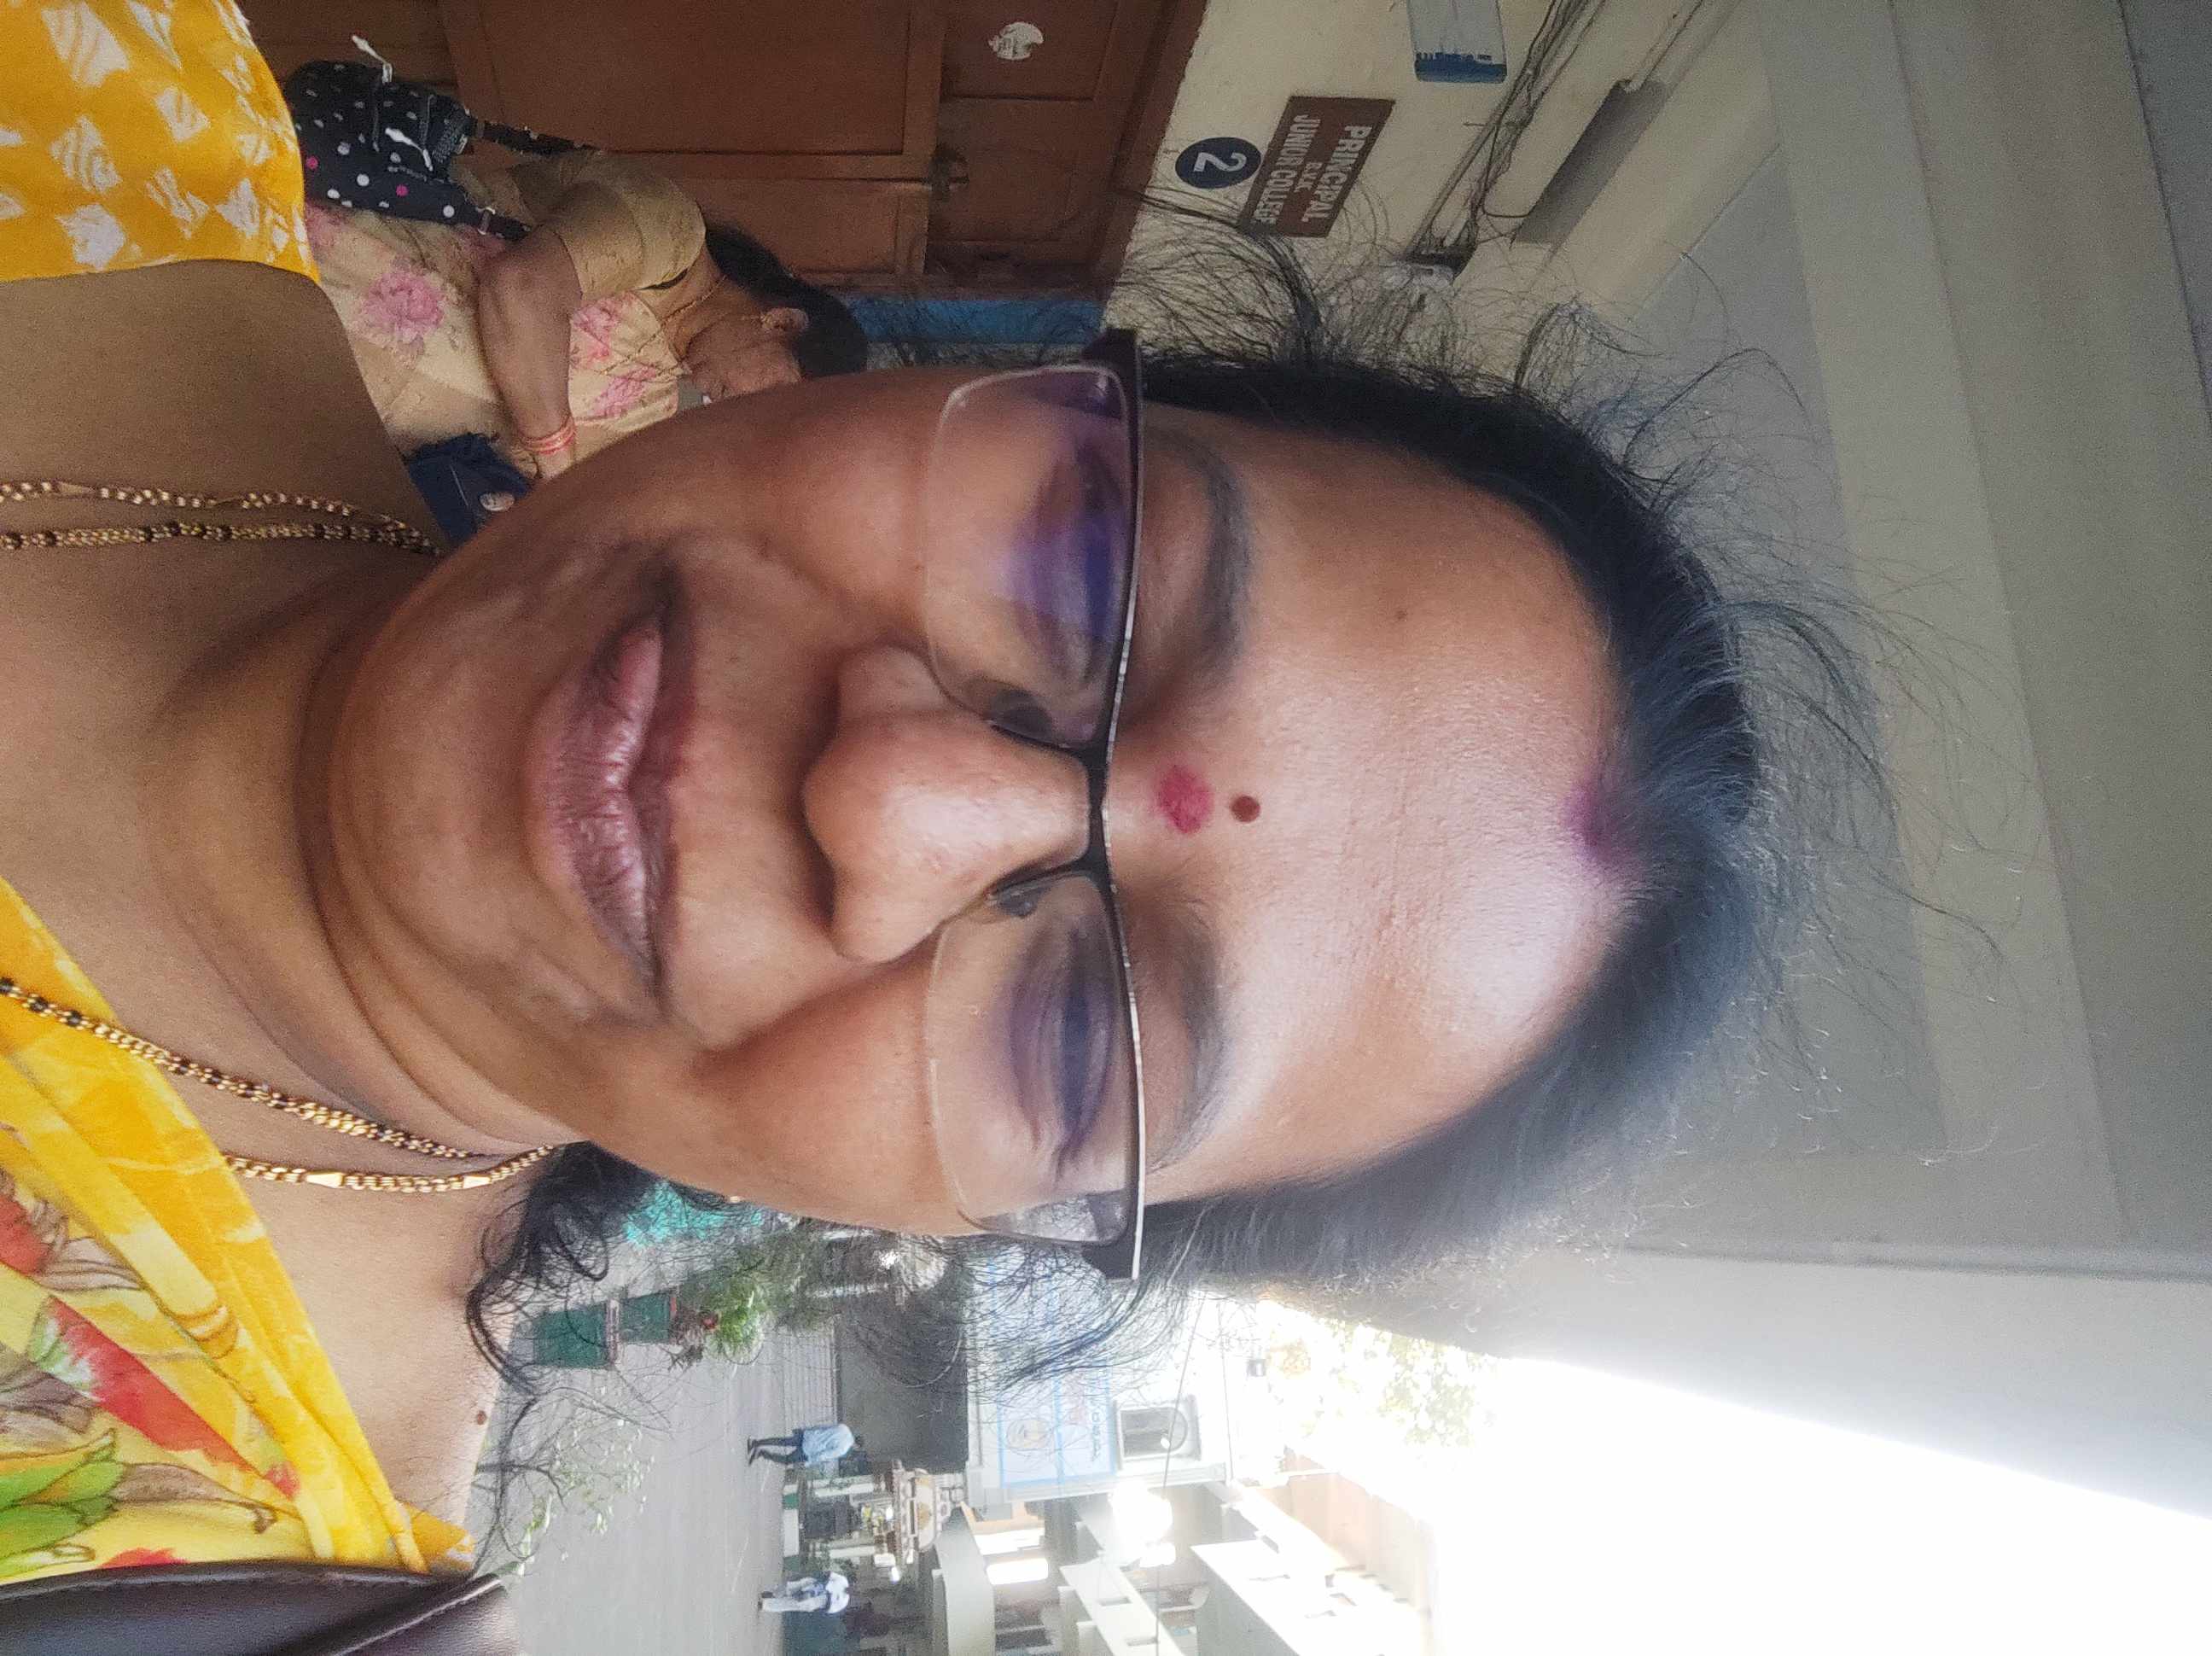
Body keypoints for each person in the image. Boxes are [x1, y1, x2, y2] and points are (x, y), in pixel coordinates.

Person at [0, 0, 1875, 1594]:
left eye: (1072, 1038)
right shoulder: (125, 83)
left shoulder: (166, 1557)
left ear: (953, 1228)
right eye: (1084, 568)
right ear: (1008, 379)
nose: (894, 801)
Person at [294, 120, 867, 476]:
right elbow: (523, 289)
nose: (744, 413)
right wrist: (558, 469)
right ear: (781, 323)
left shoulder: (649, 410)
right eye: (775, 394)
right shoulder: (669, 235)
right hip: (312, 256)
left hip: (302, 395)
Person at [748, 1422, 856, 1471]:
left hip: (808, 1436)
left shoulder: (844, 1428)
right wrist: (809, 1462)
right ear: (857, 1446)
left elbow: (822, 1426)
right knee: (786, 1460)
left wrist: (806, 1429)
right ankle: (762, 1453)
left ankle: (756, 1443)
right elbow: (825, 1455)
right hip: (809, 1451)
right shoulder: (844, 1448)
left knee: (782, 1441)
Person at [760, 1568, 850, 1614]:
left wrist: (825, 1598)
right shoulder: (843, 1581)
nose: (853, 1590)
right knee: (792, 1586)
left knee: (793, 1604)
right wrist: (821, 1583)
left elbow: (829, 1610)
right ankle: (774, 1594)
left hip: (820, 1600)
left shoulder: (843, 1602)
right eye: (855, 1587)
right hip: (817, 1585)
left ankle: (765, 1605)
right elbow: (829, 1574)